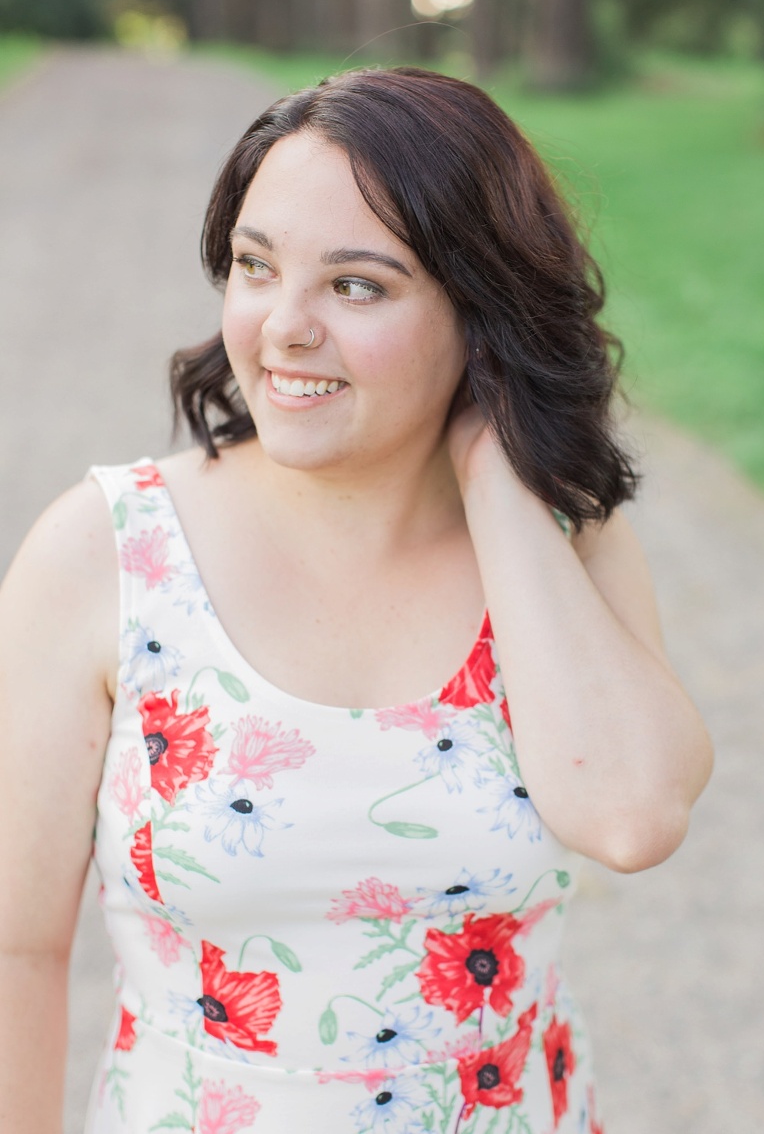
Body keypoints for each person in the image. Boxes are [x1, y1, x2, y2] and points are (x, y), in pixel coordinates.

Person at [0, 67, 712, 1134]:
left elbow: (631, 814)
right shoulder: (106, 552)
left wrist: (492, 476)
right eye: (255, 266)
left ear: (482, 309)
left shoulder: (564, 545)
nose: (284, 326)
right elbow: (16, 947)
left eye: (356, 285)